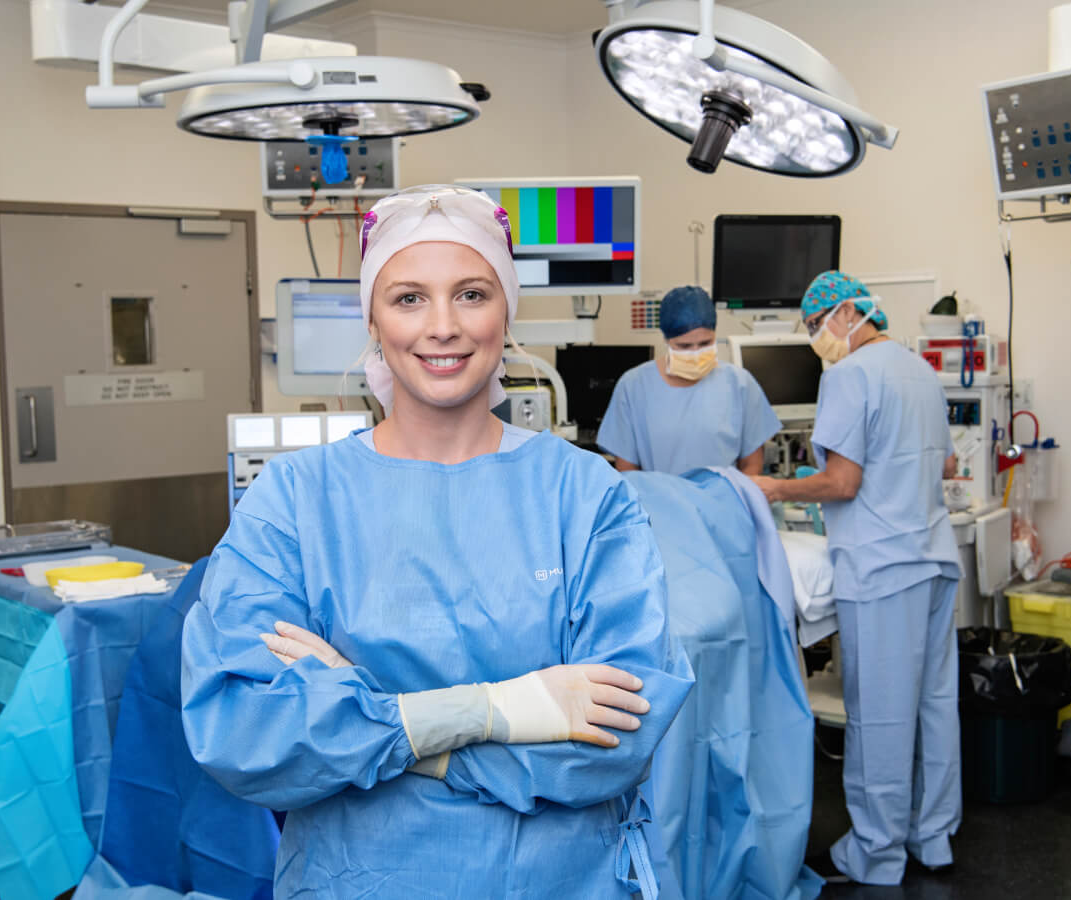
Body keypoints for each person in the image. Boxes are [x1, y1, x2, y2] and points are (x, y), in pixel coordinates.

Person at [180, 185, 694, 899]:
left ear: (506, 310)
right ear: (373, 317)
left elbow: (619, 740)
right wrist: (499, 711)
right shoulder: (294, 503)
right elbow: (244, 731)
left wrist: (370, 711)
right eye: (409, 298)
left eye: (472, 294)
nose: (443, 326)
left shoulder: (585, 497)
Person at [751, 271, 963, 886]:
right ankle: (934, 837)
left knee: (881, 716)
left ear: (846, 313)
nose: (818, 338)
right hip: (933, 556)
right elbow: (946, 460)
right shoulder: (919, 370)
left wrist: (773, 488)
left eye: (817, 325)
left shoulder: (848, 375)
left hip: (881, 566)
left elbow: (842, 484)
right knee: (934, 706)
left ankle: (876, 853)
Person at [597, 285, 781, 476]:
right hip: (659, 503)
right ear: (667, 339)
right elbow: (628, 472)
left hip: (724, 503)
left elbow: (752, 465)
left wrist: (739, 501)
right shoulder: (633, 386)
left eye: (705, 344)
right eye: (684, 346)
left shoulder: (740, 384)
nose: (695, 353)